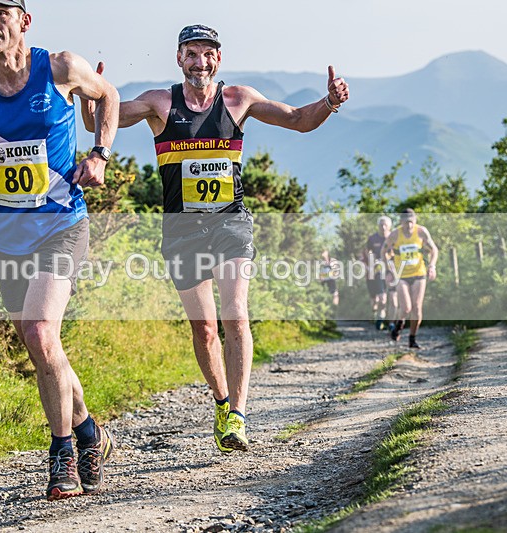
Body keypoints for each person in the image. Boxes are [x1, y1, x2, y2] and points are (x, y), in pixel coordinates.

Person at [83, 24, 349, 452]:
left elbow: (299, 120)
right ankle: (222, 403)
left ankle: (238, 416)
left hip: (230, 223)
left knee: (236, 314)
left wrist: (329, 102)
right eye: (191, 53)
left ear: (218, 59)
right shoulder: (159, 103)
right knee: (205, 329)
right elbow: (97, 121)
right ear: (179, 58)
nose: (200, 62)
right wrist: (92, 94)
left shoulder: (239, 99)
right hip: (181, 229)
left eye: (208, 53)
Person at [0, 0, 119, 501]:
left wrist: (100, 154)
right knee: (42, 346)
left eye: (0, 13)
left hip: (62, 225)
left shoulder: (59, 67)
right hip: (6, 237)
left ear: (24, 21)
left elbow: (109, 95)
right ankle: (90, 432)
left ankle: (62, 456)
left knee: (39, 331)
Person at [382, 208, 438, 349]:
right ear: (401, 222)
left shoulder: (421, 232)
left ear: (415, 220)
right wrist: (389, 270)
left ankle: (412, 339)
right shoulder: (395, 235)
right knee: (406, 308)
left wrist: (432, 266)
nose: (409, 225)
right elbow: (383, 252)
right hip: (401, 275)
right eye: (406, 222)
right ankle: (399, 325)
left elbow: (434, 250)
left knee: (417, 307)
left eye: (412, 222)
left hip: (419, 273)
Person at [362, 216, 392, 330]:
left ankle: (391, 320)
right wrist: (372, 261)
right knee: (380, 298)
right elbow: (368, 252)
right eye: (381, 225)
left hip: (393, 270)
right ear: (378, 226)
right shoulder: (372, 239)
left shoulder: (393, 236)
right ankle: (379, 319)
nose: (383, 227)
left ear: (389, 226)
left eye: (385, 225)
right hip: (378, 270)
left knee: (393, 297)